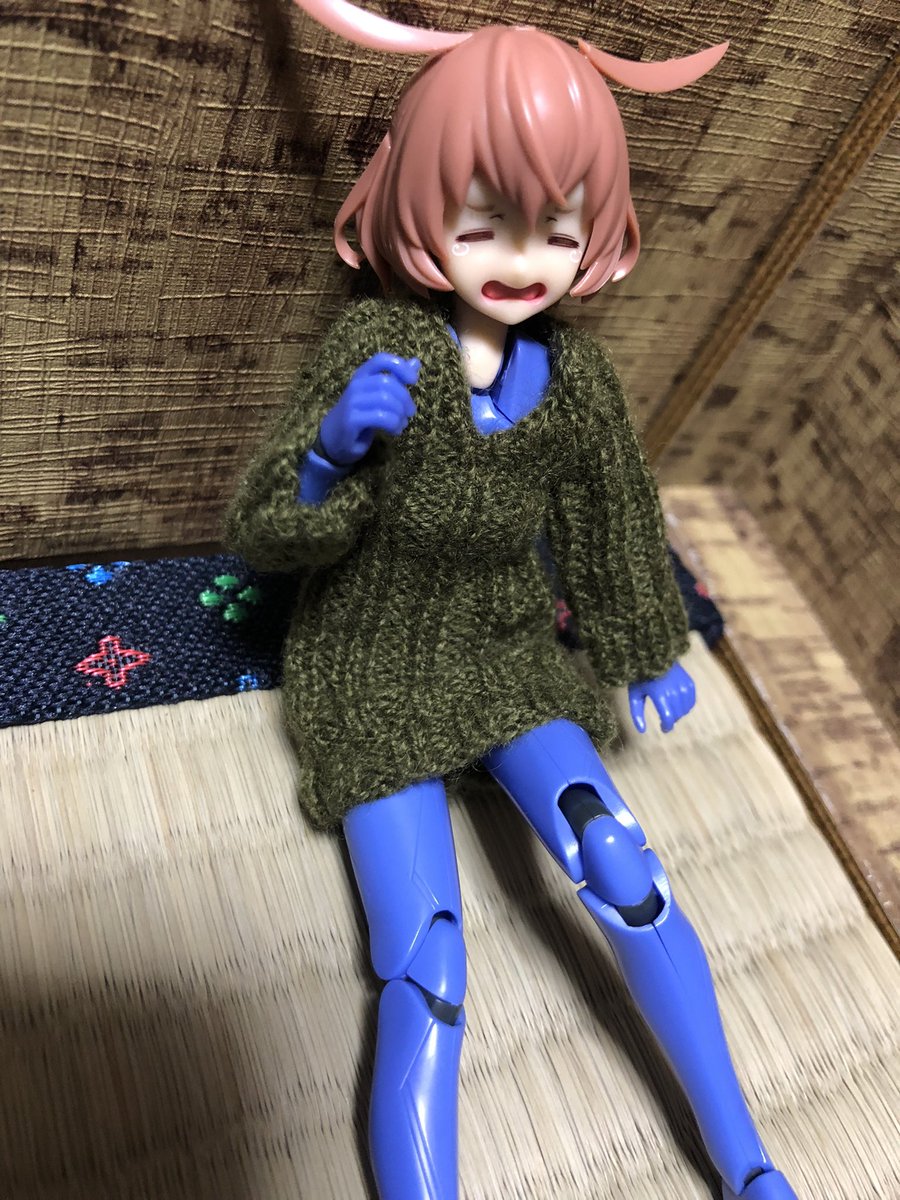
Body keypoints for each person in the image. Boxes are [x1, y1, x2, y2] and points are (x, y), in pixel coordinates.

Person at [225, 7, 798, 1198]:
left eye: (558, 226)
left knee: (623, 869)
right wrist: (328, 456)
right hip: (373, 661)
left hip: (507, 649)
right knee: (427, 958)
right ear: (417, 199)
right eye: (483, 220)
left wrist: (646, 647)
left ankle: (745, 1162)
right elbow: (270, 530)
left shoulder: (575, 381)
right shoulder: (381, 347)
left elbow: (613, 518)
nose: (522, 259)